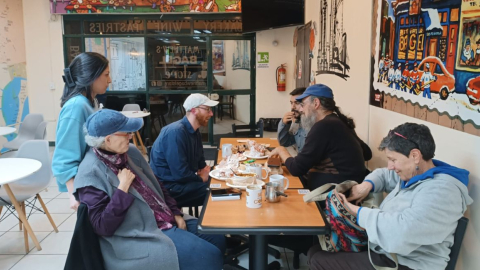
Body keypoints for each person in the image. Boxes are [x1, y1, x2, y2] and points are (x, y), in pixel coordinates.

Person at [74, 109, 226, 270]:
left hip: (163, 217)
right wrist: (122, 188)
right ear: (108, 140)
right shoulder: (90, 173)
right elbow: (102, 227)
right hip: (137, 235)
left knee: (217, 237)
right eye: (125, 133)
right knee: (207, 255)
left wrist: (176, 212)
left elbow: (157, 184)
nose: (131, 136)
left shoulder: (130, 152)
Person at [307, 123, 473, 270]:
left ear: (415, 155)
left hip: (407, 263)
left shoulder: (442, 191)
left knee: (318, 259)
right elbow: (384, 175)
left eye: (393, 159)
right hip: (390, 253)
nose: (390, 166)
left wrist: (356, 212)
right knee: (315, 250)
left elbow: (402, 233)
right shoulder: (417, 173)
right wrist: (366, 186)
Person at [269, 84, 372, 190]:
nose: (301, 109)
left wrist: (281, 151)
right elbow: (367, 153)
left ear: (316, 103)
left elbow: (296, 169)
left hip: (333, 195)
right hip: (346, 186)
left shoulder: (323, 126)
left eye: (303, 104)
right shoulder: (339, 121)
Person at [52, 52, 111, 210]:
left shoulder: (90, 102)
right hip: (85, 186)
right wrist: (73, 194)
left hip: (95, 180)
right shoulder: (76, 106)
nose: (109, 80)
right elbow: (63, 158)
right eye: (106, 75)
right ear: (91, 76)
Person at [150, 94, 218, 207]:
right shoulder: (175, 132)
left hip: (182, 181)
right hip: (169, 189)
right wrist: (200, 178)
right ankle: (209, 224)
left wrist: (206, 172)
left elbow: (201, 162)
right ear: (194, 110)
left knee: (222, 183)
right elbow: (180, 174)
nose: (211, 113)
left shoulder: (195, 132)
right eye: (207, 109)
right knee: (217, 192)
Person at [277, 87, 307, 153]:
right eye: (291, 103)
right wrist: (284, 124)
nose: (292, 107)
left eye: (296, 103)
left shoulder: (313, 124)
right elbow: (284, 143)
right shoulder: (297, 122)